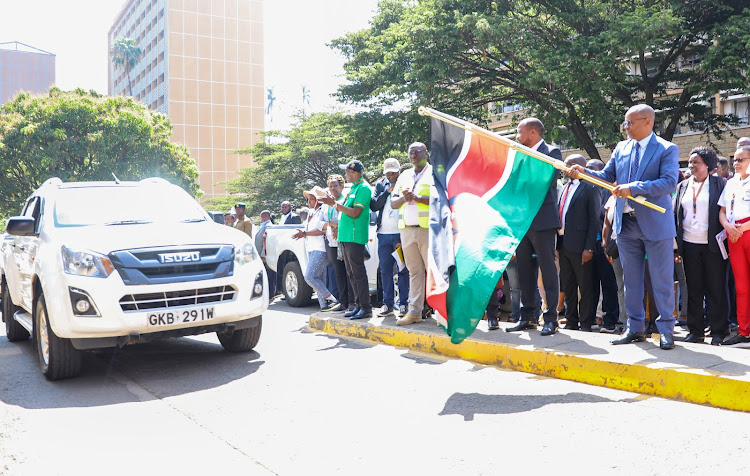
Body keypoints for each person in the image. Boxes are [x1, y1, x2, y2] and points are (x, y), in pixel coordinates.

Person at [569, 104, 679, 350]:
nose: (625, 127)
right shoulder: (621, 148)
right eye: (625, 123)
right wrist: (583, 172)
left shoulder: (666, 149)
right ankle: (635, 327)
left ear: (648, 121)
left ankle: (666, 330)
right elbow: (607, 177)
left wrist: (634, 188)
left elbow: (669, 182)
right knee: (630, 280)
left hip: (655, 224)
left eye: (630, 123)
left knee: (661, 280)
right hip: (626, 224)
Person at [506, 118, 562, 337]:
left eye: (519, 132)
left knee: (547, 270)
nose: (517, 137)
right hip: (523, 221)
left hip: (543, 220)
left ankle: (550, 318)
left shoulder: (552, 152)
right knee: (524, 271)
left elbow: (543, 181)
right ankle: (527, 316)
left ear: (532, 132)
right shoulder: (519, 154)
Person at [674, 146, 728, 345]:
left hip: (713, 246)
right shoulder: (683, 186)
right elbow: (677, 216)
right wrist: (676, 247)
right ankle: (695, 332)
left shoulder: (720, 184)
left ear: (708, 165)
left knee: (716, 289)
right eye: (690, 162)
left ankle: (718, 331)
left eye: (696, 162)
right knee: (693, 290)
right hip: (689, 246)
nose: (691, 166)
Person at [319, 160, 373, 320]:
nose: (345, 174)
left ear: (354, 172)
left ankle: (366, 307)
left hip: (355, 236)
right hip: (346, 236)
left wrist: (334, 204)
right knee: (351, 273)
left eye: (347, 172)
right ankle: (357, 305)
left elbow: (355, 212)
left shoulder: (363, 188)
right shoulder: (354, 188)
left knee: (358, 273)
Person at [390, 142, 434, 326]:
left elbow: (441, 199)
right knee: (414, 272)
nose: (413, 156)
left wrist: (417, 198)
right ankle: (415, 312)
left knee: (434, 272)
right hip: (407, 230)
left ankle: (441, 313)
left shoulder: (434, 172)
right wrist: (404, 198)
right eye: (410, 153)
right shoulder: (405, 176)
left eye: (417, 152)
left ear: (426, 153)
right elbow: (393, 203)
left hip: (428, 230)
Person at [558, 155, 602, 331]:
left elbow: (594, 220)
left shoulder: (590, 188)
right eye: (566, 165)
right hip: (563, 244)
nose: (567, 168)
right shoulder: (564, 188)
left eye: (570, 165)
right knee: (568, 285)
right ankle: (571, 320)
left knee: (585, 287)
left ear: (581, 167)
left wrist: (589, 247)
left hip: (581, 246)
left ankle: (585, 322)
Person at [718, 146, 750, 346]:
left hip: (746, 229)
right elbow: (722, 211)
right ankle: (744, 331)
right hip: (734, 234)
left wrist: (743, 227)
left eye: (741, 159)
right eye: (734, 159)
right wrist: (728, 226)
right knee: (741, 286)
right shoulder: (730, 183)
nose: (736, 163)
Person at [371, 157, 410, 317]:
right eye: (388, 173)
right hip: (383, 235)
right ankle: (387, 304)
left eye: (393, 172)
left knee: (402, 270)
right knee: (385, 270)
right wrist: (386, 192)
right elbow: (373, 205)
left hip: (399, 234)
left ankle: (403, 304)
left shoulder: (405, 183)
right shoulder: (381, 185)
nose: (390, 176)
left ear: (398, 171)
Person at [587, 159, 620, 333]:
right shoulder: (587, 189)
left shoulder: (610, 191)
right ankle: (590, 318)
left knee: (609, 284)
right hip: (589, 244)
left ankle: (610, 320)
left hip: (607, 245)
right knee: (591, 284)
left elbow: (606, 217)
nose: (589, 171)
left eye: (592, 169)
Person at [292, 186, 338, 311]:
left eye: (311, 199)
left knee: (309, 277)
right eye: (308, 200)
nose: (309, 202)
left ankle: (332, 299)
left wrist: (305, 234)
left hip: (321, 248)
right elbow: (309, 229)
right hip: (311, 248)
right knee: (319, 278)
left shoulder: (323, 210)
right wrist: (303, 233)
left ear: (318, 200)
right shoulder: (311, 213)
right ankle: (324, 305)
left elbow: (322, 229)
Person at [320, 174, 353, 313]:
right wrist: (330, 225)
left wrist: (338, 226)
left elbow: (348, 217)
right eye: (331, 186)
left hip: (343, 240)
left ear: (342, 186)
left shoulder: (344, 201)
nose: (333, 188)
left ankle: (353, 302)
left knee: (348, 272)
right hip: (331, 242)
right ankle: (343, 302)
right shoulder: (326, 204)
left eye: (335, 186)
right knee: (338, 273)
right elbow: (320, 221)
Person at [255, 210, 277, 298]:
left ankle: (270, 293)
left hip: (266, 255)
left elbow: (266, 242)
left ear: (264, 216)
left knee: (269, 275)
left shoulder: (268, 226)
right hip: (263, 255)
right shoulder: (264, 225)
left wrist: (263, 255)